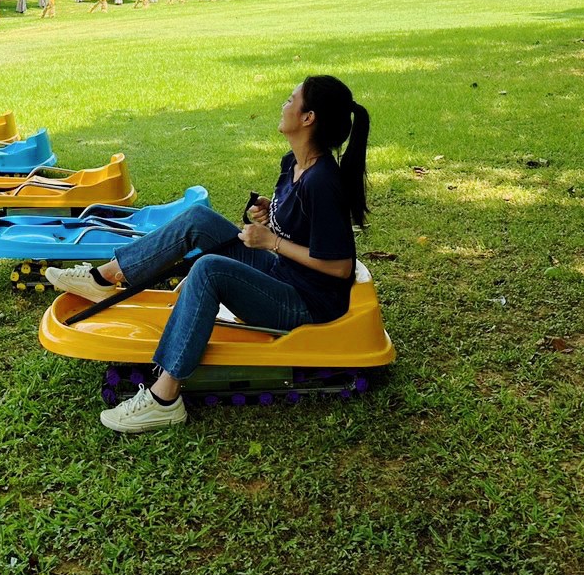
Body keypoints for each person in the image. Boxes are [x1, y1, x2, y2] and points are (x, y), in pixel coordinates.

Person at [46, 74, 370, 434]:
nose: (284, 105)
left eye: (291, 100)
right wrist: (268, 215)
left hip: (308, 302)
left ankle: (163, 400)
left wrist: (271, 242)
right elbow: (297, 228)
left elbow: (340, 267)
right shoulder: (291, 165)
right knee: (199, 219)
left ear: (308, 118)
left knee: (210, 269)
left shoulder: (322, 180)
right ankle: (104, 278)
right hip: (283, 274)